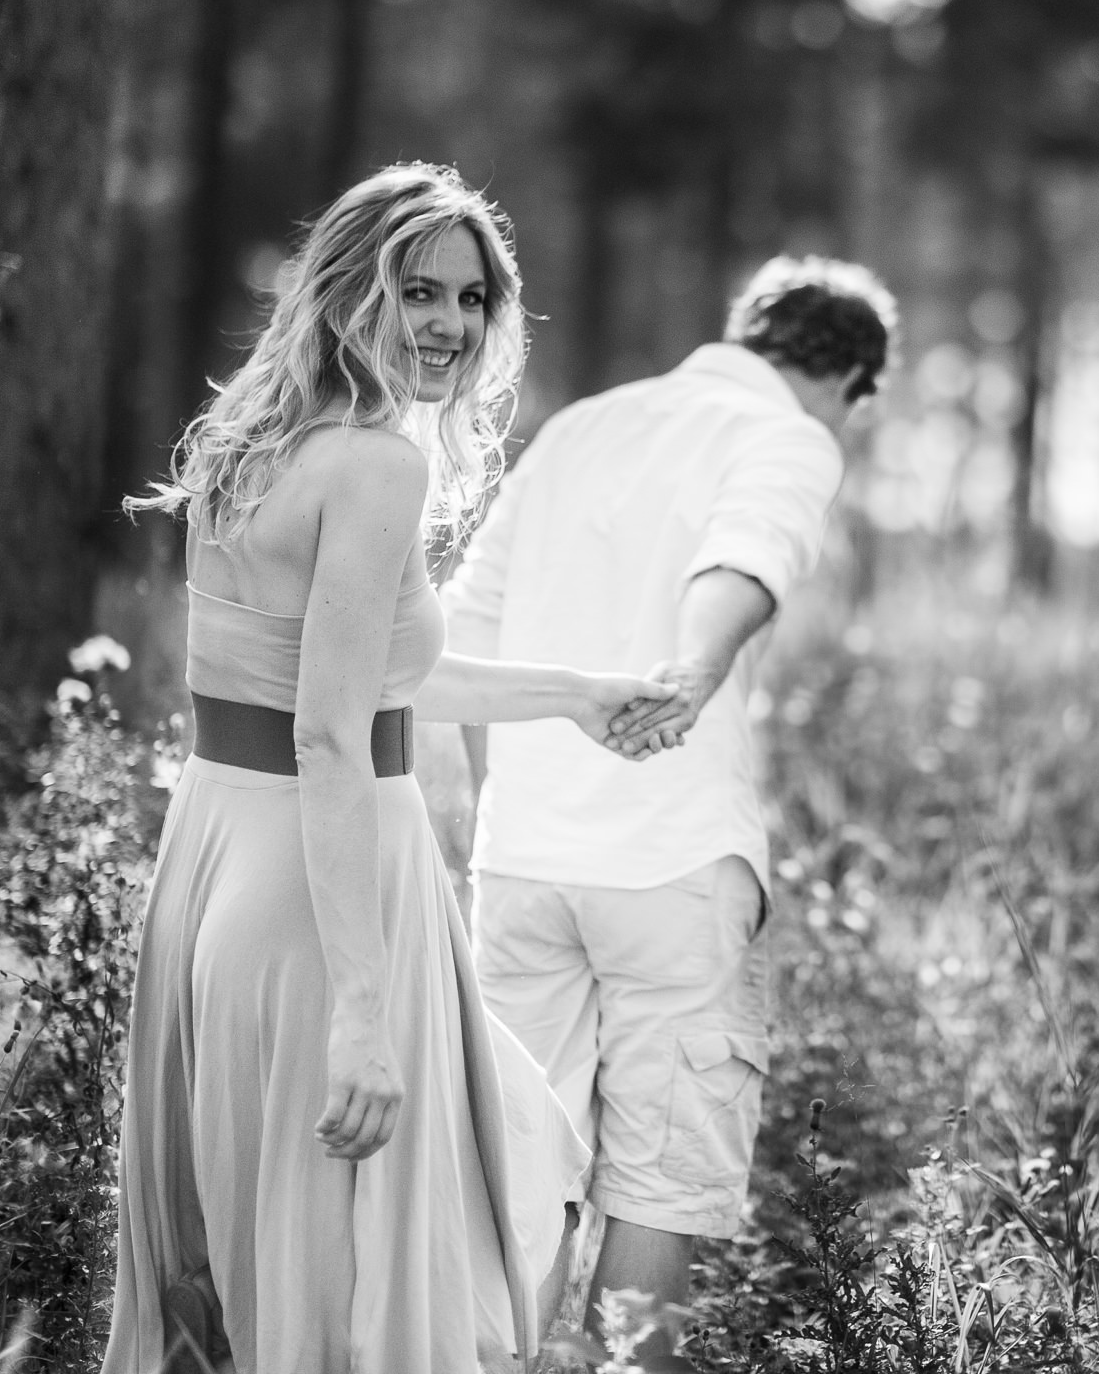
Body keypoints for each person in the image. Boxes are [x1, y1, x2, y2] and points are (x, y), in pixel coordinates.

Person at [105, 164, 676, 1374]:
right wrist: (364, 1010)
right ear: (347, 285)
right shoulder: (374, 464)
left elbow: (350, 686)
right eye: (419, 290)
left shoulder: (249, 441)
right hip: (328, 896)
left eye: (472, 301)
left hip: (221, 861)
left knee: (264, 1265)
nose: (448, 326)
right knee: (348, 1275)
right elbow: (328, 734)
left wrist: (573, 697)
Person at [441, 255, 896, 1371]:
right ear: (844, 375)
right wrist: (691, 671)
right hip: (673, 863)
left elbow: (461, 631)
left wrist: (502, 801)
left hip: (524, 862)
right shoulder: (788, 437)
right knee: (658, 1176)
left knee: (511, 1156)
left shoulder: (582, 426)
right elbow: (747, 552)